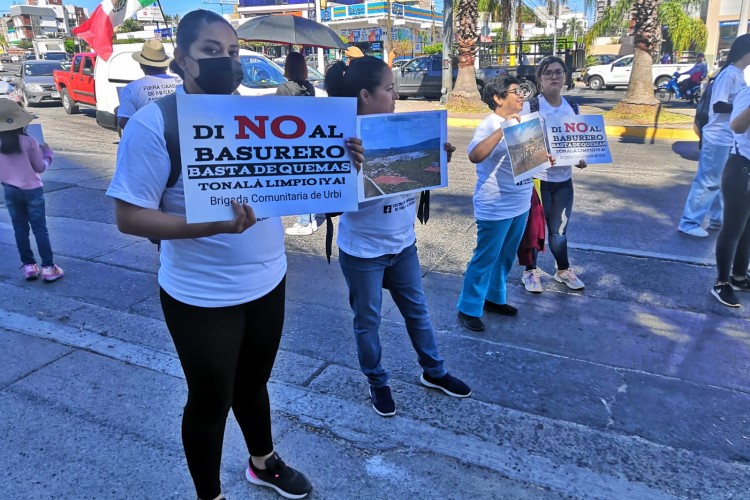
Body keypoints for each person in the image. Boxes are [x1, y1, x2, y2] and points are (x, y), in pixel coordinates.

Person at [106, 10, 363, 500]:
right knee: (210, 401)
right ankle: (211, 495)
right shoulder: (154, 124)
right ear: (182, 60)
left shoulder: (260, 119)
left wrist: (341, 166)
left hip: (269, 281)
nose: (225, 61)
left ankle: (263, 462)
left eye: (231, 51)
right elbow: (130, 217)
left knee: (254, 383)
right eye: (210, 51)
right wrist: (213, 226)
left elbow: (308, 191)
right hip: (200, 295)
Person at [324, 56, 471, 417]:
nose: (395, 97)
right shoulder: (340, 140)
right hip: (363, 252)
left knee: (418, 312)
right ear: (365, 95)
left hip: (403, 244)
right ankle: (377, 382)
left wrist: (437, 160)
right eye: (389, 89)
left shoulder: (400, 129)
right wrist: (347, 167)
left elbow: (414, 176)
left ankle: (434, 371)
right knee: (367, 322)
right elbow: (328, 206)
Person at [456, 75, 555, 332]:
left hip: (520, 202)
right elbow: (474, 155)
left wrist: (544, 159)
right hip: (496, 205)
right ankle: (468, 306)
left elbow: (527, 159)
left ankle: (494, 298)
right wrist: (503, 129)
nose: (521, 95)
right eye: (514, 91)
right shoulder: (489, 124)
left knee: (506, 256)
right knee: (485, 257)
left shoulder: (525, 121)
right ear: (498, 98)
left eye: (521, 91)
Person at [519, 56, 586, 293]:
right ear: (540, 78)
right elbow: (522, 146)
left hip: (563, 181)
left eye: (558, 72)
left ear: (565, 76)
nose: (554, 77)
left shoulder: (573, 107)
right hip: (538, 181)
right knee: (534, 230)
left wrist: (581, 158)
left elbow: (579, 143)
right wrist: (542, 156)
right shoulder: (531, 107)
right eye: (548, 73)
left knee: (559, 230)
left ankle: (562, 270)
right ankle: (530, 271)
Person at [678, 37, 750, 238]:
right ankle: (689, 222)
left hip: (727, 138)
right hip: (718, 137)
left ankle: (717, 219)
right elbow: (718, 105)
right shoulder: (729, 75)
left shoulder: (738, 74)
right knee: (708, 181)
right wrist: (742, 108)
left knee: (719, 182)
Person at [0, 99, 63, 282]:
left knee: (20, 228)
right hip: (32, 190)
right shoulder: (29, 141)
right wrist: (48, 155)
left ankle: (29, 266)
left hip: (10, 190)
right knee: (40, 229)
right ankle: (48, 268)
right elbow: (40, 167)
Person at [711, 83, 750, 307]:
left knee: (748, 228)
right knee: (733, 228)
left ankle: (739, 276)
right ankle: (722, 282)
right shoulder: (747, 94)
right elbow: (737, 126)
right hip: (742, 169)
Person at [277, 51, 319, 236]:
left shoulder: (283, 89)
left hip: (291, 140)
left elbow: (277, 117)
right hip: (308, 138)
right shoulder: (310, 88)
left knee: (298, 182)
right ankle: (310, 219)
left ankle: (304, 223)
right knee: (307, 179)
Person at [117, 38, 181, 130]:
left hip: (150, 136)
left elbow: (124, 122)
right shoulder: (182, 83)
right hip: (181, 136)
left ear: (141, 65)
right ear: (165, 65)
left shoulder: (132, 88)